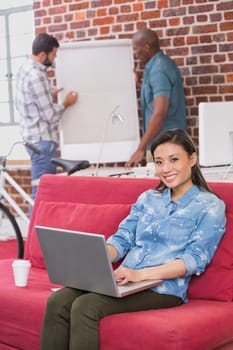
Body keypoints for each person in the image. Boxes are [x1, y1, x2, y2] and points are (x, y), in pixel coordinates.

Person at [40, 129, 226, 350]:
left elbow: (194, 260)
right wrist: (95, 257)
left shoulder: (210, 206)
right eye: (159, 162)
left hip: (164, 288)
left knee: (86, 306)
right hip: (126, 279)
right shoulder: (148, 199)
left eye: (173, 160)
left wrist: (139, 275)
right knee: (57, 301)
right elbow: (123, 239)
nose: (165, 169)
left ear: (192, 158)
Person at [15, 33, 78, 200]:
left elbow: (30, 102)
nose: (54, 59)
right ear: (43, 54)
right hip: (42, 142)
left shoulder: (25, 69)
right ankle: (35, 227)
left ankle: (35, 226)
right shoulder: (38, 76)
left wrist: (49, 95)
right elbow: (50, 115)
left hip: (31, 138)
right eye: (53, 55)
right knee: (43, 195)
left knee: (40, 191)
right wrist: (66, 103)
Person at [125, 28, 186, 168]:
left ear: (146, 47)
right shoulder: (155, 66)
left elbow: (159, 113)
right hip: (163, 144)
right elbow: (155, 97)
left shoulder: (158, 70)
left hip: (167, 146)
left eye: (136, 49)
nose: (135, 54)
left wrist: (140, 148)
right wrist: (139, 84)